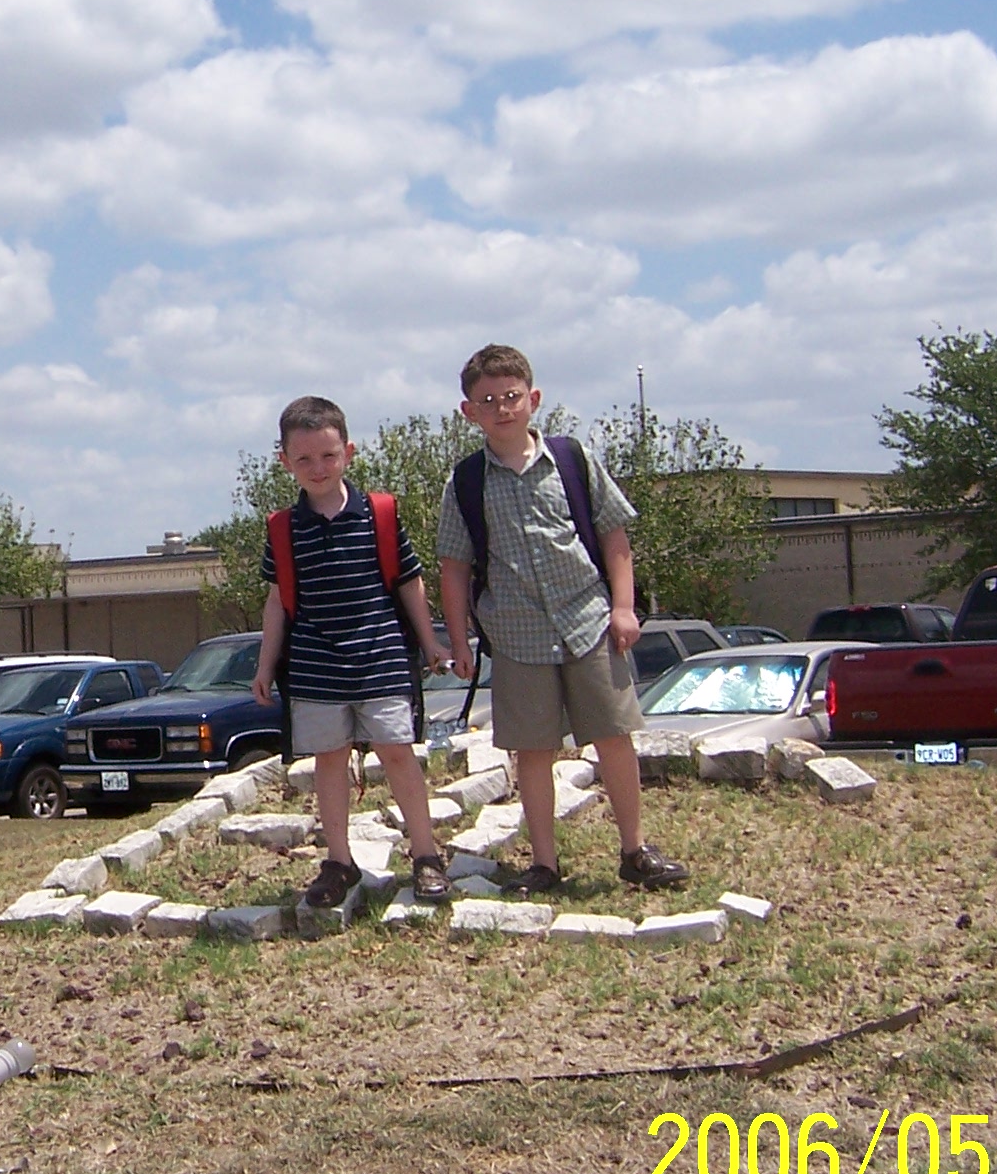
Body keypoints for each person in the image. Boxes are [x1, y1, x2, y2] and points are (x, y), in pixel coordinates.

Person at [434, 344, 688, 891]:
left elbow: (613, 535)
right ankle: (544, 864)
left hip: (589, 622)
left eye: (512, 396)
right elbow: (453, 567)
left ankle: (635, 850)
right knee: (533, 752)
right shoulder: (466, 482)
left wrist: (624, 607)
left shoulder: (573, 459)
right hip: (517, 634)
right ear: (468, 411)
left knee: (614, 737)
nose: (502, 408)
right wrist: (460, 641)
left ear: (534, 399)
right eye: (488, 400)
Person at [250, 395, 456, 908]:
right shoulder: (282, 527)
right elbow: (277, 600)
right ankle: (339, 861)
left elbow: (409, 581)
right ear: (285, 461)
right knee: (329, 760)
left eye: (328, 455)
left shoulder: (380, 513)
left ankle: (426, 856)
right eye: (304, 459)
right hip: (315, 662)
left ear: (349, 452)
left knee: (397, 754)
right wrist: (264, 664)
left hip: (381, 654)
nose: (317, 468)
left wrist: (430, 643)